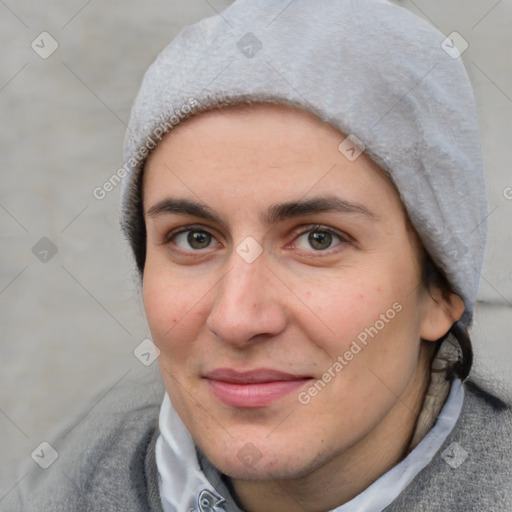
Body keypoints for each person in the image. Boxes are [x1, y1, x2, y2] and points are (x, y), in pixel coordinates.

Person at [6, 0, 512, 511]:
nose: (237, 318)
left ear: (441, 288)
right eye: (194, 238)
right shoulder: (57, 489)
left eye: (319, 239)